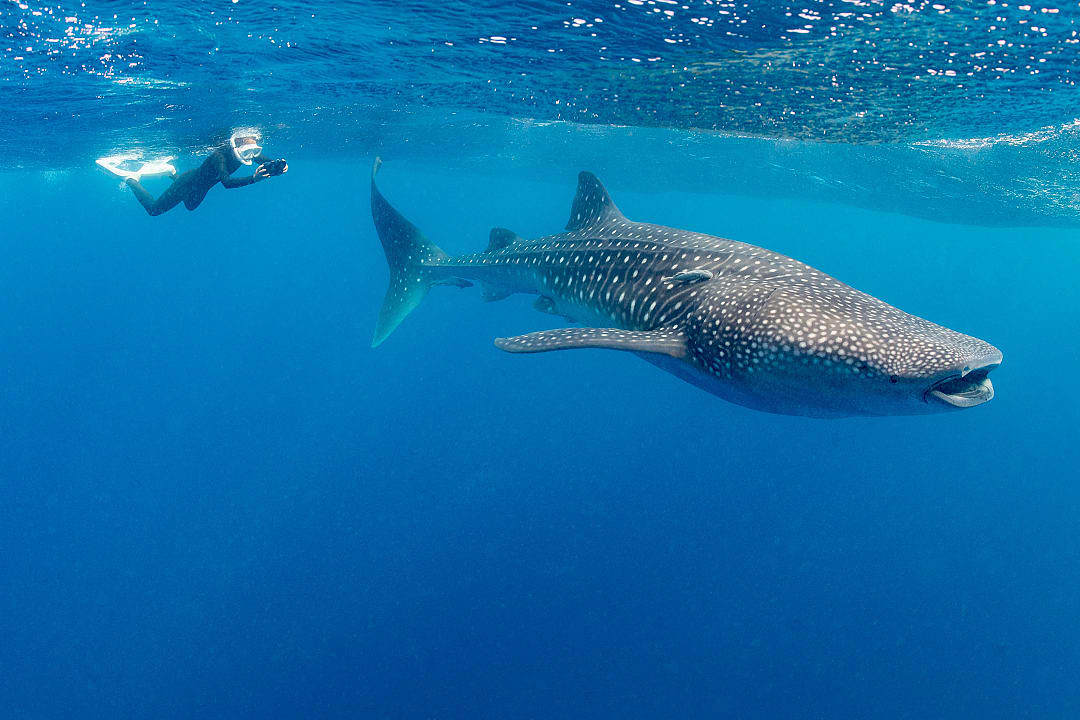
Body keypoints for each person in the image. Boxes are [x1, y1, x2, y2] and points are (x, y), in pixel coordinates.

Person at [97, 129, 288, 217]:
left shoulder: (246, 153)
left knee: (190, 206)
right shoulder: (219, 156)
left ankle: (171, 172)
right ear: (236, 146)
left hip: (200, 188)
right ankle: (131, 179)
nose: (252, 155)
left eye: (254, 150)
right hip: (188, 183)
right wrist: (253, 179)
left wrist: (278, 167)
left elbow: (265, 160)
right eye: (248, 151)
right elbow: (227, 183)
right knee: (154, 210)